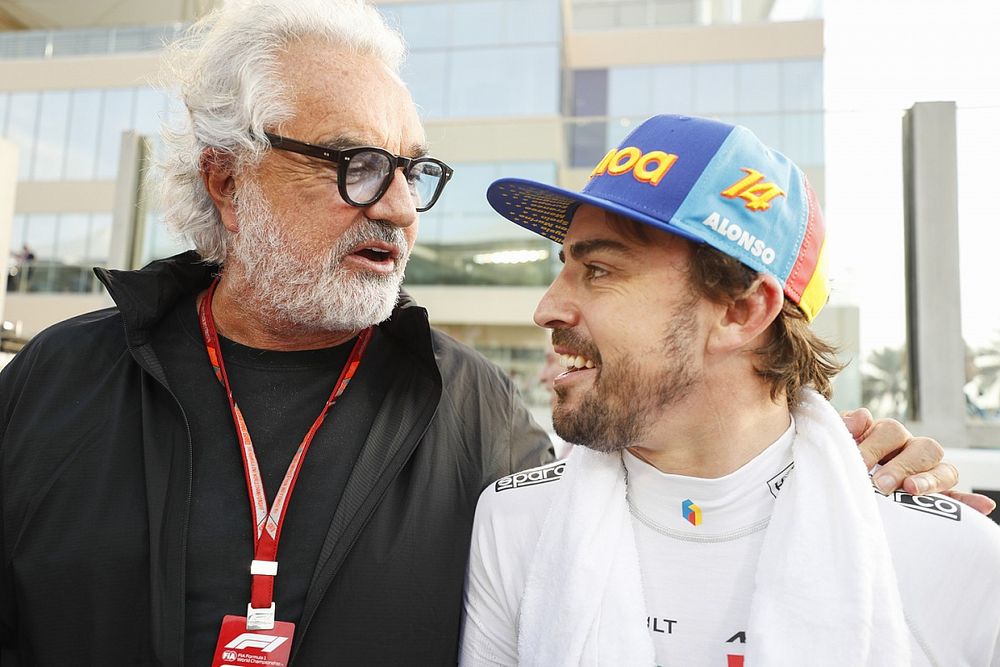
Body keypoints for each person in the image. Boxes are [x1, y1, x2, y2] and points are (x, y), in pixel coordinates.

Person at [0, 1, 982, 665]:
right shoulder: (48, 383)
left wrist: (878, 476)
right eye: (353, 163)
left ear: (745, 310)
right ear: (226, 175)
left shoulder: (471, 410)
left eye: (411, 169)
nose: (398, 208)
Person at [461, 115, 1000, 665]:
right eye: (565, 264)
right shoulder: (514, 524)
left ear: (742, 311)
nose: (546, 308)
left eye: (598, 269)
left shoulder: (954, 557)